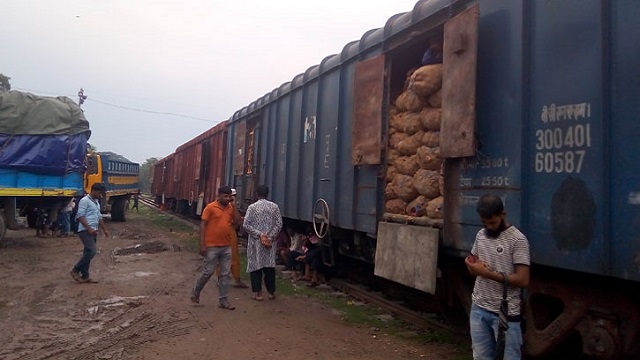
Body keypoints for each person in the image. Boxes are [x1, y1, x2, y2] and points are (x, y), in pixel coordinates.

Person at [464, 194, 530, 360]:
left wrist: (488, 274)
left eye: (493, 222)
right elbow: (472, 263)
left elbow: (523, 279)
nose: (489, 227)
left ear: (503, 215)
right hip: (479, 308)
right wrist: (471, 265)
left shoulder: (517, 240)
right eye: (485, 223)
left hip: (505, 313)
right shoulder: (481, 235)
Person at [191, 186, 241, 310]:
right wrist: (202, 244)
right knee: (208, 272)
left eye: (230, 196)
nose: (228, 198)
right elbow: (203, 226)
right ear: (218, 196)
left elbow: (238, 222)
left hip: (226, 246)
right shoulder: (210, 208)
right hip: (212, 246)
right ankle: (196, 292)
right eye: (225, 196)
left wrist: (234, 206)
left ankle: (223, 300)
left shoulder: (230, 208)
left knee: (225, 274)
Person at [242, 185, 283, 301]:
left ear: (256, 194)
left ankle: (258, 294)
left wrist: (260, 234)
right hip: (270, 243)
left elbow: (245, 225)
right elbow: (279, 224)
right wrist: (269, 237)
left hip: (255, 243)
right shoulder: (274, 207)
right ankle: (271, 292)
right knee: (269, 266)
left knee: (255, 266)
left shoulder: (252, 207)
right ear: (267, 194)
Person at [70, 183, 110, 283]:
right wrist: (88, 228)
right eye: (100, 193)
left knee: (87, 252)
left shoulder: (96, 203)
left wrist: (104, 229)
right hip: (85, 231)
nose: (101, 195)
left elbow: (99, 217)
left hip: (93, 231)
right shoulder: (85, 201)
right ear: (94, 191)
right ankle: (75, 269)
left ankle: (85, 276)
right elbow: (80, 215)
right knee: (92, 251)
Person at [229, 188, 248, 288]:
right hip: (226, 233)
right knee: (223, 256)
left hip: (230, 233)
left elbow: (238, 221)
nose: (232, 198)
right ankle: (234, 279)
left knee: (234, 257)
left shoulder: (232, 207)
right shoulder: (215, 207)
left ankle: (236, 279)